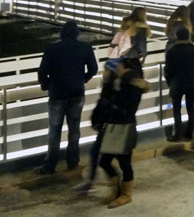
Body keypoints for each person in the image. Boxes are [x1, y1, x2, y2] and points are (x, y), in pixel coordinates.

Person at [36, 20, 99, 175]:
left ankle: (50, 165)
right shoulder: (85, 48)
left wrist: (46, 85)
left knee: (54, 131)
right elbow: (94, 68)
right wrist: (82, 79)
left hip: (57, 93)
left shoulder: (52, 49)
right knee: (74, 129)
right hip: (77, 93)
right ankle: (72, 162)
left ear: (62, 34)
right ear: (77, 34)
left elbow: (42, 72)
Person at [97, 57, 150, 207]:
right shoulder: (122, 83)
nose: (117, 69)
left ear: (126, 68)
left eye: (119, 67)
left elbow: (121, 105)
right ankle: (117, 189)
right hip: (116, 126)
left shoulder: (130, 85)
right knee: (105, 161)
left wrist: (111, 101)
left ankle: (126, 194)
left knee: (124, 162)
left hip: (124, 128)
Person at [73, 59, 120, 193]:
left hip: (109, 128)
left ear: (111, 72)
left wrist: (99, 120)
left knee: (102, 157)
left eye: (106, 70)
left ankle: (115, 183)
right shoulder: (110, 86)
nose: (103, 73)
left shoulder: (112, 88)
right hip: (107, 127)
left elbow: (105, 106)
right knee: (99, 155)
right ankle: (94, 181)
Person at [164, 26, 194, 141]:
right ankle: (189, 133)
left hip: (176, 83)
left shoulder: (172, 51)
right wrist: (193, 75)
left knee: (176, 109)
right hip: (191, 81)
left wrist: (170, 82)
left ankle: (178, 133)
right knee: (190, 107)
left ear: (177, 37)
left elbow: (168, 70)